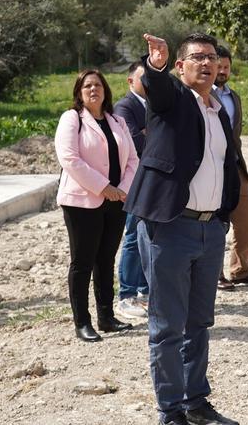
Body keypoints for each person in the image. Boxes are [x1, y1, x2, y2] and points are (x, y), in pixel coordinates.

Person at [124, 33, 241, 425]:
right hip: (171, 227)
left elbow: (226, 166)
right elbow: (155, 90)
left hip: (210, 231)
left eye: (211, 57)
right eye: (197, 58)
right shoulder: (172, 100)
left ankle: (196, 402)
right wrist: (155, 65)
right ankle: (170, 411)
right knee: (167, 326)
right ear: (181, 66)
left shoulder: (219, 110)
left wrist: (225, 216)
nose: (207, 64)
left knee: (199, 323)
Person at [55, 69, 138, 342]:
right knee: (83, 262)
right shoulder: (72, 119)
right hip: (83, 202)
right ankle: (82, 322)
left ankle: (107, 317)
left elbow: (133, 161)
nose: (93, 90)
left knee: (106, 260)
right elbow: (69, 158)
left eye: (98, 85)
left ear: (106, 90)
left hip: (116, 202)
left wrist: (121, 190)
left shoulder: (118, 121)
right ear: (79, 92)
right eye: (87, 86)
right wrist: (104, 187)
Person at [212, 44, 248, 291]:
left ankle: (240, 268)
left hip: (236, 166)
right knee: (216, 222)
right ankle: (215, 273)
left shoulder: (234, 96)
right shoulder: (202, 95)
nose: (222, 71)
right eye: (219, 66)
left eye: (226, 67)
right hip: (212, 168)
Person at [113, 61, 149, 318]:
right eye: (142, 78)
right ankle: (126, 294)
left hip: (153, 183)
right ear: (130, 81)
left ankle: (144, 292)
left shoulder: (155, 106)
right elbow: (137, 143)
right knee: (134, 236)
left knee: (149, 237)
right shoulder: (126, 106)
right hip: (135, 183)